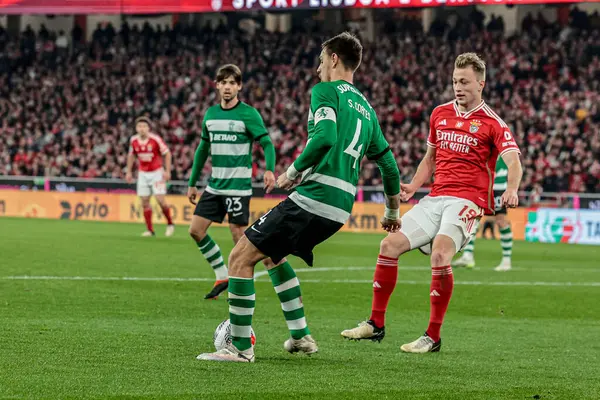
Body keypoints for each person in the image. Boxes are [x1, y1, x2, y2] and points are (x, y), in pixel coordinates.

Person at [197, 32, 401, 363]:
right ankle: (301, 335)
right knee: (271, 256)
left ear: (334, 59)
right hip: (340, 208)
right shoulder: (367, 109)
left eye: (322, 60)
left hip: (314, 198)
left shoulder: (325, 91)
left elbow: (325, 137)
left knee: (238, 257)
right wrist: (392, 212)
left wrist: (290, 175)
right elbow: (389, 168)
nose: (319, 67)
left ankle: (239, 347)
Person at [341, 53, 523, 353]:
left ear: (481, 83)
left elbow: (513, 162)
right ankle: (375, 324)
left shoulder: (493, 123)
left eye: (464, 82)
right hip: (436, 196)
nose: (458, 87)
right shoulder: (439, 113)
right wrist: (413, 185)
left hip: (468, 199)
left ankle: (432, 336)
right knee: (388, 245)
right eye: (454, 81)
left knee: (440, 254)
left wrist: (512, 189)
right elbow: (431, 159)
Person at [186, 64, 276, 300]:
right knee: (195, 230)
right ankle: (222, 274)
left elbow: (266, 143)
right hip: (215, 186)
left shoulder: (248, 114)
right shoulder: (211, 114)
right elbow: (202, 149)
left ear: (239, 86)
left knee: (240, 236)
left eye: (232, 83)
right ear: (217, 85)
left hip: (238, 187)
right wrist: (192, 182)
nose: (227, 87)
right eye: (223, 82)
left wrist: (269, 169)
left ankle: (245, 281)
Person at [453, 156, 514, 270]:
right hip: (483, 185)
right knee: (473, 218)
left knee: (501, 221)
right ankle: (468, 255)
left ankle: (506, 260)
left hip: (498, 186)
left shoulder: (503, 143)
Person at [126, 116, 174, 237]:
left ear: (148, 128)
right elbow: (131, 155)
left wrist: (167, 171)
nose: (142, 129)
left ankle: (170, 224)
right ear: (136, 128)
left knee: (160, 200)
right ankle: (150, 230)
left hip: (157, 173)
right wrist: (129, 172)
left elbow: (167, 153)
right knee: (144, 202)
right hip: (142, 173)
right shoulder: (133, 140)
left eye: (144, 126)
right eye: (139, 126)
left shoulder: (155, 139)